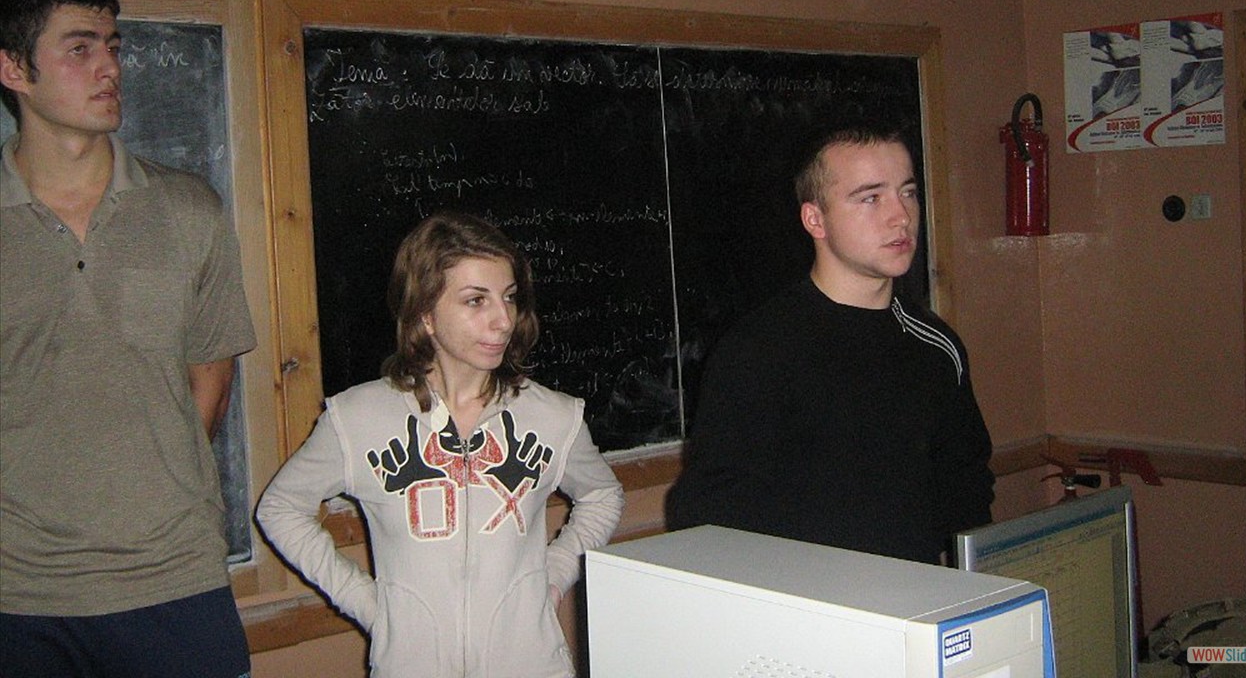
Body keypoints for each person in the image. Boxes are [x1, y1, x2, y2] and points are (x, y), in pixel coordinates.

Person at [0, 0, 257, 678]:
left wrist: (145, 495)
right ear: (14, 69)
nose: (110, 66)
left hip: (175, 580)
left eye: (113, 46)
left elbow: (210, 383)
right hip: (18, 593)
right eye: (80, 48)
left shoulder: (189, 210)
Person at [256, 211, 624, 677]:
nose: (503, 320)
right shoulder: (356, 419)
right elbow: (281, 508)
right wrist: (370, 605)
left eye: (509, 297)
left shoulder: (554, 416)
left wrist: (555, 573)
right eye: (476, 300)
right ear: (426, 314)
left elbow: (603, 495)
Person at [665, 120, 994, 565]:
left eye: (908, 192)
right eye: (871, 198)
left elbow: (966, 492)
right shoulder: (759, 351)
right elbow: (708, 513)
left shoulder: (936, 348)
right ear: (815, 219)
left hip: (913, 597)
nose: (901, 216)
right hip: (798, 601)